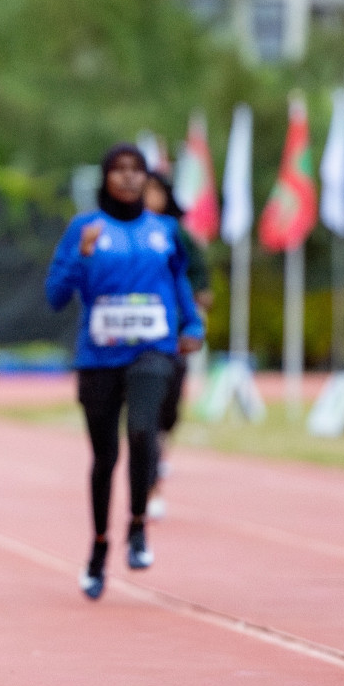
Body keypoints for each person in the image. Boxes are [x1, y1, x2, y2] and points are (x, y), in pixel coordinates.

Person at [46, 145, 203, 601]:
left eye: (138, 171)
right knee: (104, 457)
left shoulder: (165, 231)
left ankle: (136, 525)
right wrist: (82, 256)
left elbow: (180, 284)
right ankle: (98, 547)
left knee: (143, 431)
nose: (130, 179)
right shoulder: (85, 228)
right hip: (98, 358)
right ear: (105, 177)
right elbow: (56, 295)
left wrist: (191, 324)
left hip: (153, 352)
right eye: (120, 170)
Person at [142, 168, 212, 520]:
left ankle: (158, 451)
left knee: (166, 412)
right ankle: (150, 482)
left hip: (173, 334)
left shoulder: (176, 234)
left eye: (154, 191)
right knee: (145, 415)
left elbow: (197, 276)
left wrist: (198, 304)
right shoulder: (123, 233)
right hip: (137, 341)